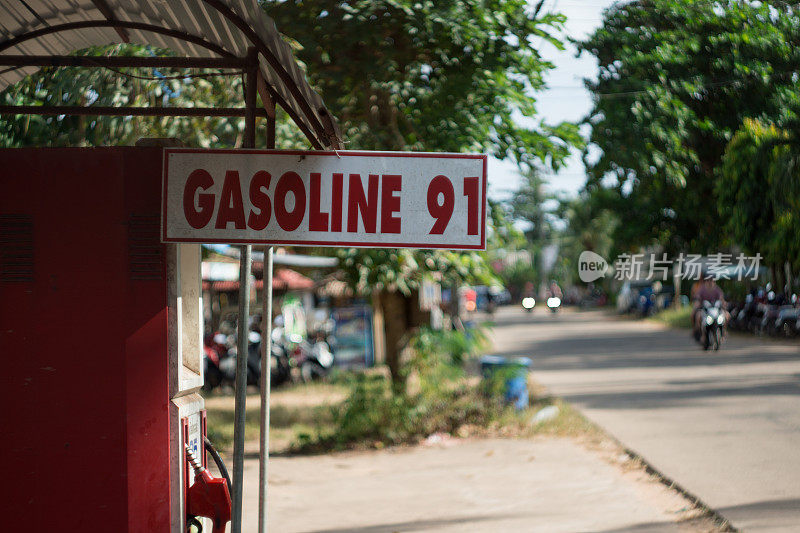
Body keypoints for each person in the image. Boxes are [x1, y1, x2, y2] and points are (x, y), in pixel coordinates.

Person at [692, 275, 725, 339]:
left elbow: (721, 298)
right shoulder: (702, 289)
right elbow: (697, 297)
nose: (711, 282)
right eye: (709, 280)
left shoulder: (717, 289)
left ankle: (723, 331)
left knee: (727, 316)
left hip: (715, 310)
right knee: (698, 316)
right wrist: (697, 303)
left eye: (712, 280)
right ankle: (701, 333)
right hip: (704, 310)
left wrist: (724, 303)